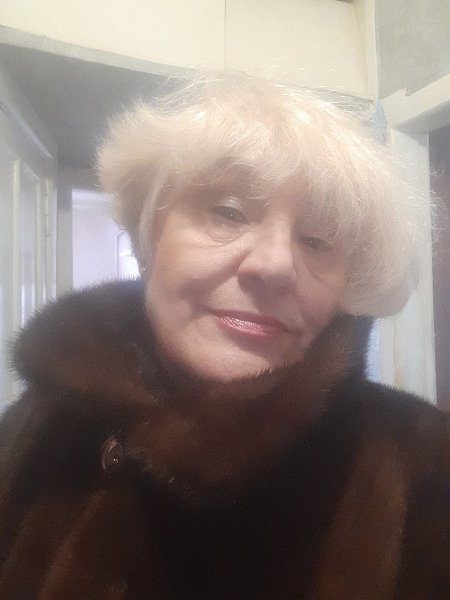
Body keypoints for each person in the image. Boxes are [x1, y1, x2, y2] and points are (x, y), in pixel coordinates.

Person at [0, 72, 448, 599]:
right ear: (150, 237)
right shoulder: (43, 422)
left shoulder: (421, 466)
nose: (274, 265)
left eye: (317, 240)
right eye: (228, 212)